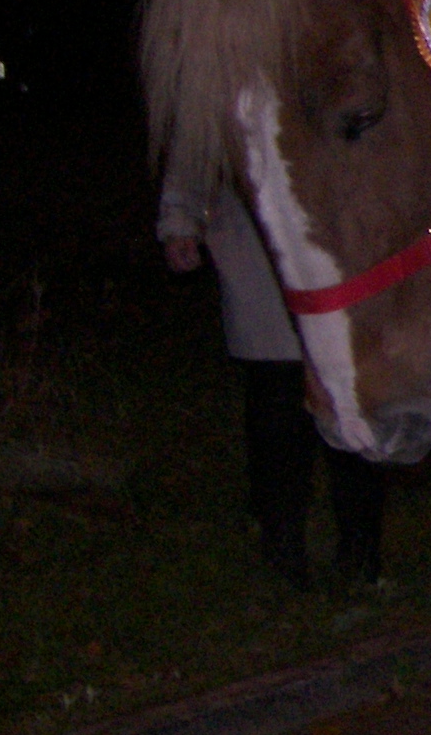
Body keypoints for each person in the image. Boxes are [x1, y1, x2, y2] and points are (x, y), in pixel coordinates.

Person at [158, 183, 388, 591]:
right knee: (278, 410)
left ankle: (360, 553)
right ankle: (282, 551)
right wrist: (180, 218)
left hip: (341, 235)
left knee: (352, 403)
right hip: (259, 243)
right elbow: (198, 139)